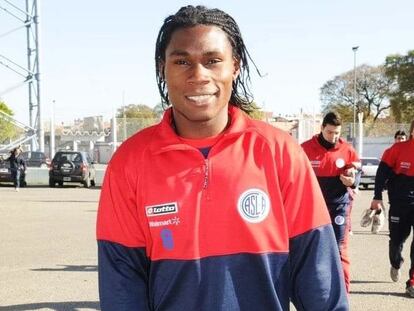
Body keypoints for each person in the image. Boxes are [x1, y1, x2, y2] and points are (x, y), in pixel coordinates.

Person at [96, 5, 348, 310]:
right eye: (182, 61)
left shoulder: (279, 152)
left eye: (213, 61)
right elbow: (122, 284)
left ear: (235, 66)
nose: (198, 75)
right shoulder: (130, 162)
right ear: (163, 68)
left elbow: (318, 277)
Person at [301, 112, 360, 293]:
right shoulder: (304, 149)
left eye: (337, 133)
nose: (333, 137)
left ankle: (343, 293)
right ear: (321, 129)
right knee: (313, 250)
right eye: (330, 132)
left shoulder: (347, 149)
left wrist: (353, 179)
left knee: (339, 249)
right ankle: (316, 290)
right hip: (312, 208)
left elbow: (355, 170)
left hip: (338, 207)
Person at [369, 122, 414, 298]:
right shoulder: (397, 149)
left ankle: (412, 282)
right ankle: (396, 263)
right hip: (400, 203)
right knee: (397, 240)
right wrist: (377, 196)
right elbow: (381, 174)